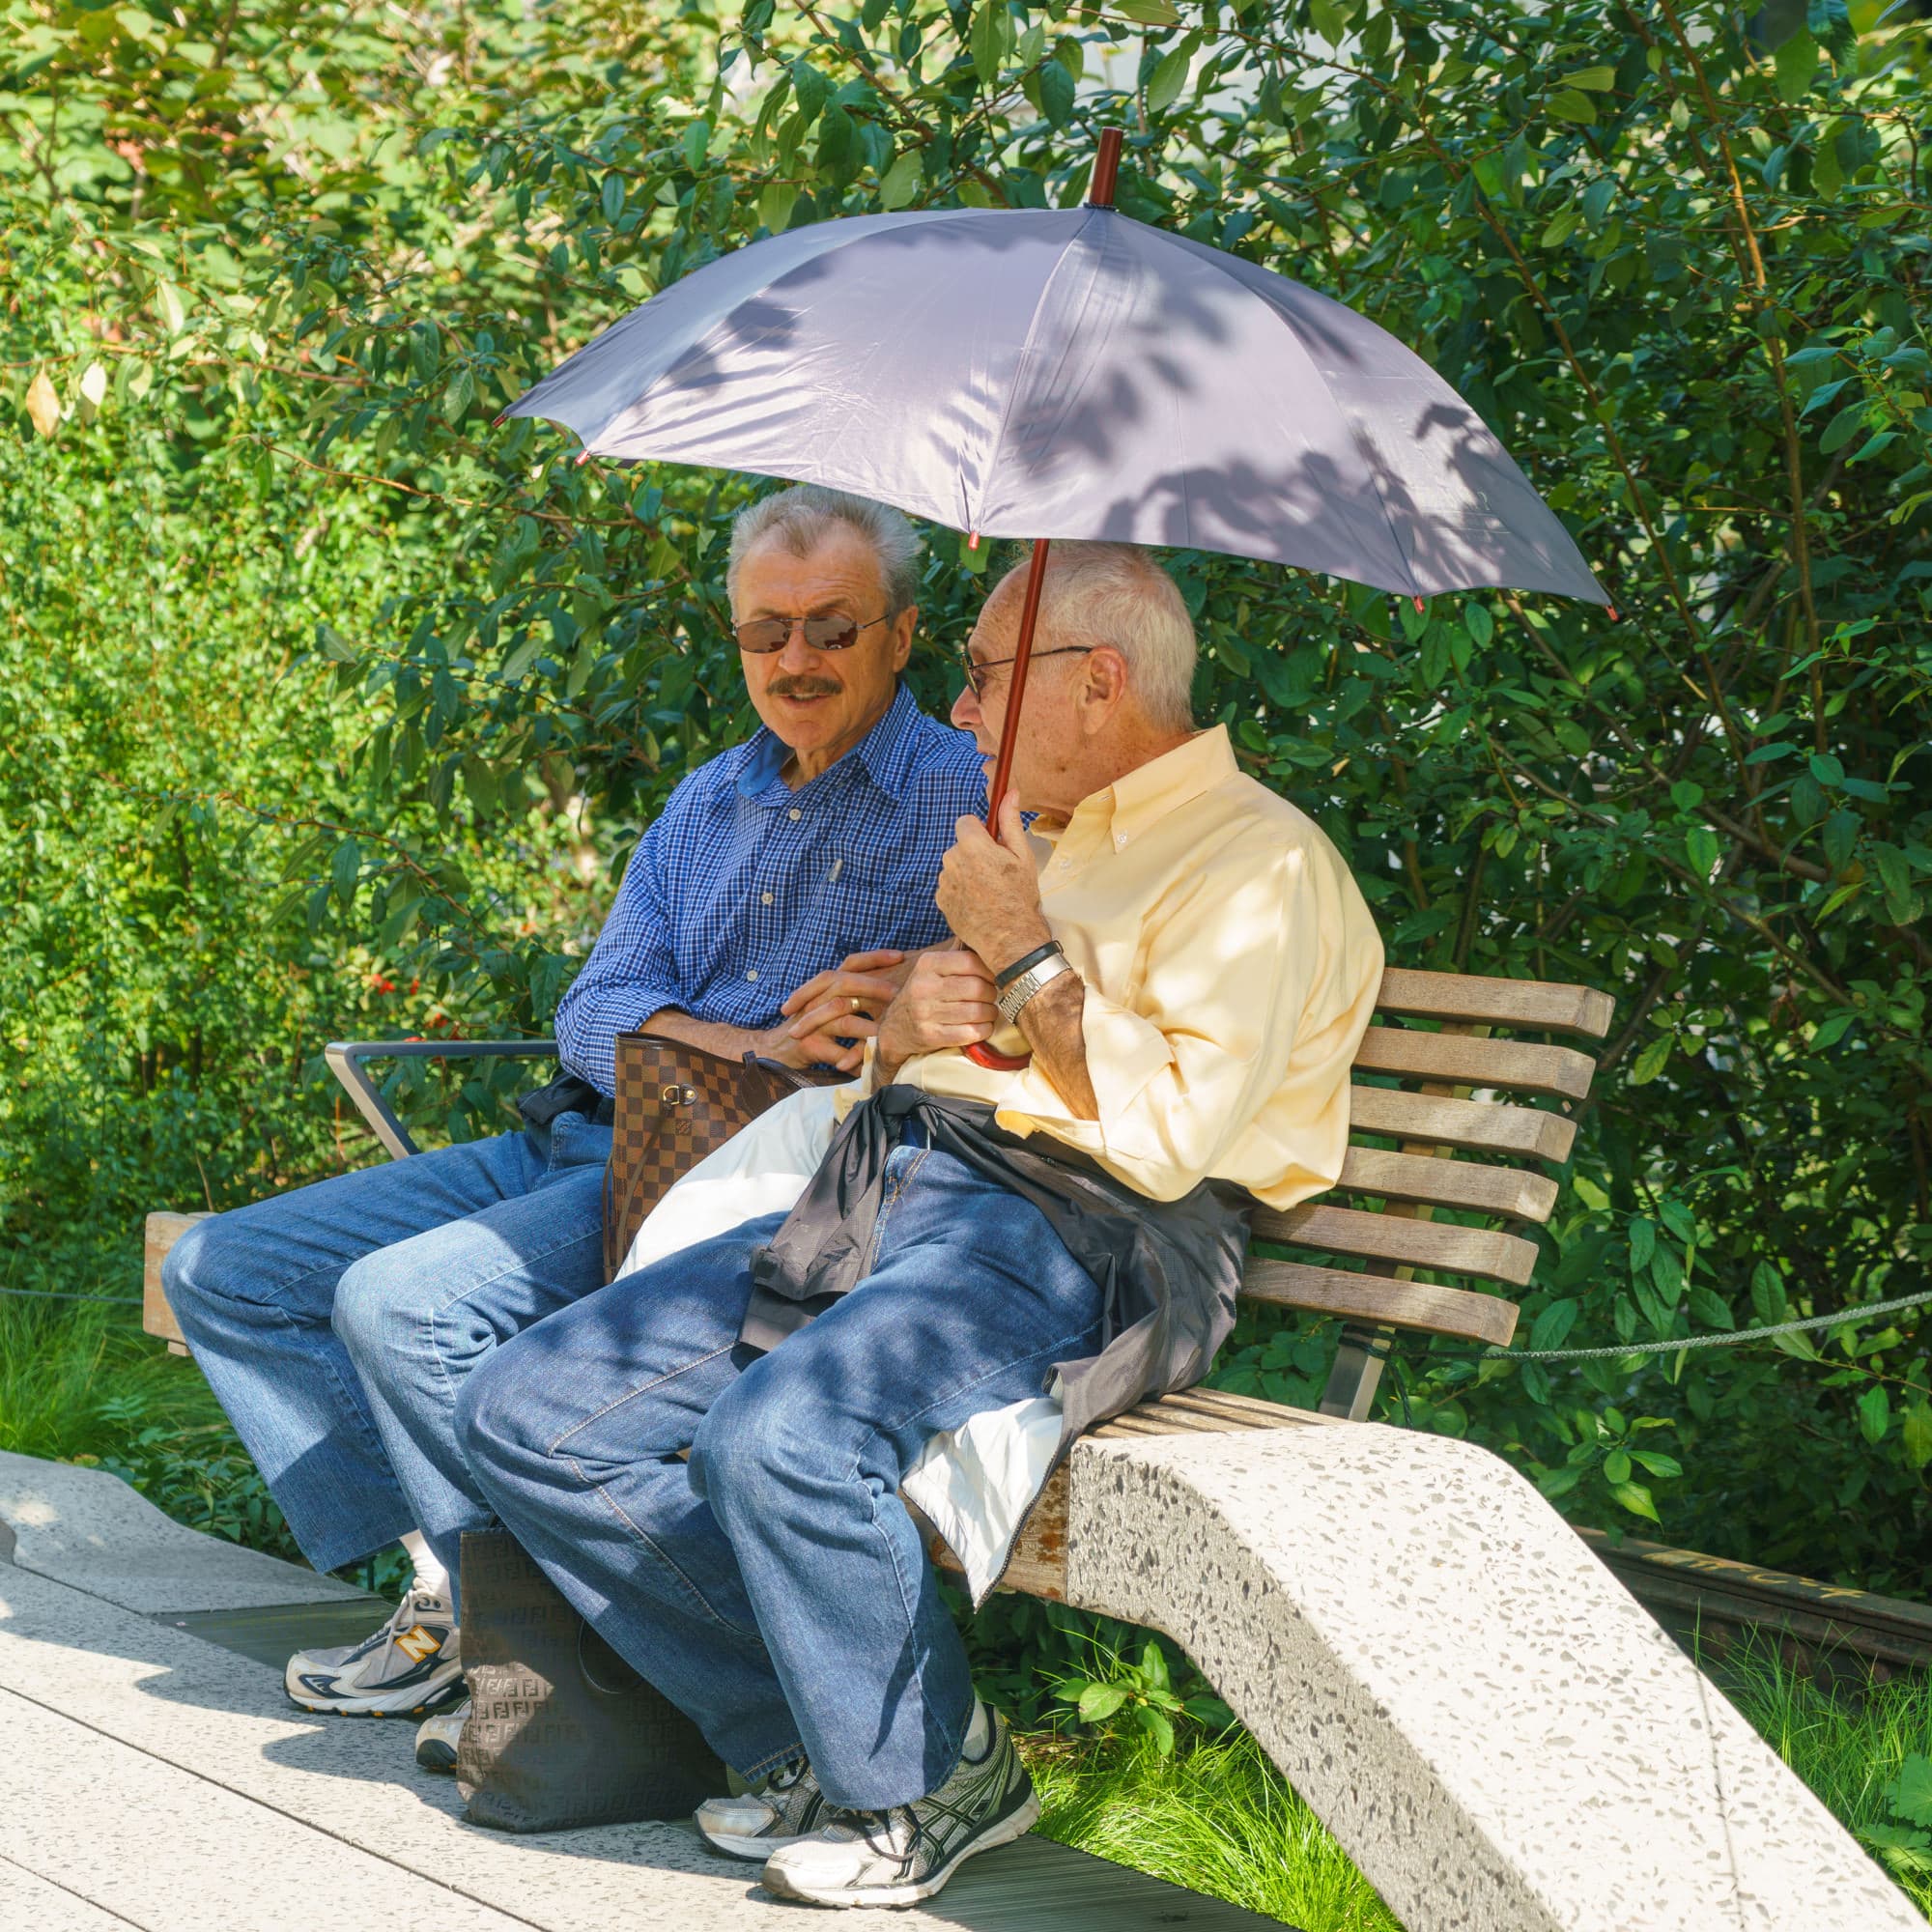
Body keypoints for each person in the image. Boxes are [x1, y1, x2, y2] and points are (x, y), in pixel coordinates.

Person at [454, 541, 1384, 1907]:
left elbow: (1172, 1145)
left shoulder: (1263, 863)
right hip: (892, 1182)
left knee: (783, 1435)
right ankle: (801, 1733)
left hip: (1088, 1234)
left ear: (1100, 681)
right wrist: (903, 1033)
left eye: (986, 674)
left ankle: (938, 1772)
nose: (961, 710)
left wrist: (1020, 954)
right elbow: (946, 1054)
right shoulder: (1041, 846)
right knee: (530, 1407)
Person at [161, 485, 987, 1738]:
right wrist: (744, 1037)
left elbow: (987, 1020)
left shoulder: (967, 798)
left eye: (832, 627)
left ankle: (534, 1652)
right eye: (766, 633)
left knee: (398, 1303)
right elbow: (592, 1011)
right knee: (228, 1267)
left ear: (902, 634)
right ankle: (465, 1584)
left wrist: (890, 1027)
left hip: (751, 1179)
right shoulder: (708, 800)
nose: (796, 661)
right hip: (594, 1129)